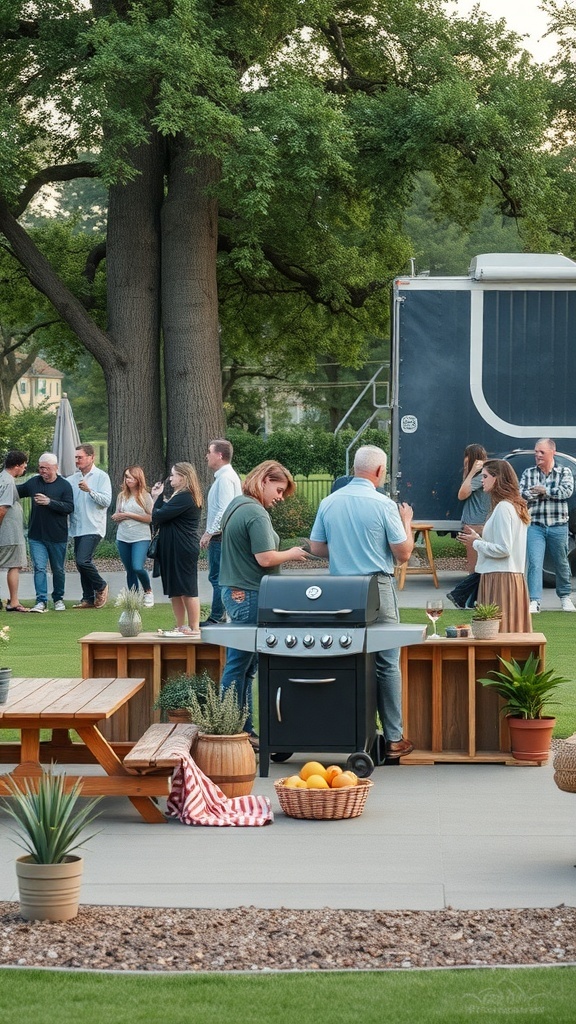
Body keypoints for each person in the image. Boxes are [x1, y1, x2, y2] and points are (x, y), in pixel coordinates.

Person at [309, 445, 415, 760]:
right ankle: (394, 738)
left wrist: (343, 549)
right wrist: (406, 521)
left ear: (355, 468)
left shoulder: (329, 502)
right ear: (380, 471)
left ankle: (346, 732)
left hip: (340, 590)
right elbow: (403, 553)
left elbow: (316, 547)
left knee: (346, 660)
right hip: (377, 587)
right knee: (387, 662)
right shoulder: (384, 505)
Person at [218, 460, 308, 748]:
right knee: (239, 665)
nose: (279, 498)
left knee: (244, 667)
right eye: (279, 490)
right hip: (250, 594)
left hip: (235, 592)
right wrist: (292, 553)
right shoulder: (256, 513)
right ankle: (229, 731)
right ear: (265, 480)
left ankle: (244, 730)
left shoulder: (237, 504)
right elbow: (265, 558)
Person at [458, 460, 531, 633]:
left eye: (485, 476)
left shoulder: (504, 508)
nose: (482, 480)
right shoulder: (513, 506)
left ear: (497, 479)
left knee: (497, 632)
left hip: (500, 578)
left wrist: (475, 543)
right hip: (509, 576)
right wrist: (479, 538)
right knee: (508, 629)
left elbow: (504, 549)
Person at [519, 438, 576, 613]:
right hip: (535, 525)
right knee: (535, 563)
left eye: (541, 452)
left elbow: (566, 492)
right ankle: (534, 601)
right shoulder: (528, 473)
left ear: (553, 452)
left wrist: (543, 491)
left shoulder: (564, 471)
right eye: (536, 451)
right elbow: (521, 494)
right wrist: (546, 493)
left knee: (561, 562)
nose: (537, 455)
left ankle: (565, 598)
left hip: (558, 525)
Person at [16, 452, 74, 612]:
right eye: (40, 467)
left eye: (46, 468)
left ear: (55, 468)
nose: (42, 471)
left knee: (58, 569)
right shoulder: (34, 482)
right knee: (39, 568)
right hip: (36, 536)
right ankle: (41, 601)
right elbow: (17, 491)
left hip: (57, 536)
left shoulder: (64, 485)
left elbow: (69, 507)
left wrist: (50, 502)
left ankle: (58, 598)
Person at [150, 463, 202, 634]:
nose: (170, 478)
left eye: (173, 475)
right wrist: (158, 497)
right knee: (175, 589)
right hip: (172, 547)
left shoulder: (186, 496)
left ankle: (194, 627)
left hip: (182, 547)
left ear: (183, 477)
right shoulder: (178, 496)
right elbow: (161, 515)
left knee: (187, 588)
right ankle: (181, 625)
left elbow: (158, 515)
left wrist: (156, 498)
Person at [199, 439, 242, 625]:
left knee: (217, 577)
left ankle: (217, 616)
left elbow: (224, 510)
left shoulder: (225, 478)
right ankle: (221, 614)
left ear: (220, 455)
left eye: (209, 452)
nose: (206, 456)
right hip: (223, 535)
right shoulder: (225, 477)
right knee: (220, 577)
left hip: (221, 536)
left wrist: (209, 532)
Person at [67, 444, 112, 609]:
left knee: (83, 560)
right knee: (80, 563)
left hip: (93, 526)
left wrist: (89, 490)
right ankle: (87, 598)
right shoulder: (72, 478)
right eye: (76, 457)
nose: (77, 460)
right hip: (77, 527)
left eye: (80, 457)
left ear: (91, 457)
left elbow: (106, 501)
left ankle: (100, 586)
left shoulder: (101, 477)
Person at [111, 466, 154, 606]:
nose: (128, 480)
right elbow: (118, 513)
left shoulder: (145, 496)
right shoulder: (122, 496)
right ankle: (133, 597)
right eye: (126, 477)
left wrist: (127, 515)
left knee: (137, 567)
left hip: (141, 536)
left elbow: (150, 518)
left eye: (131, 477)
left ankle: (148, 591)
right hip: (123, 536)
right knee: (129, 569)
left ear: (138, 479)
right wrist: (117, 516)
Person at [0, 450, 29, 612]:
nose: (25, 468)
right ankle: (14, 602)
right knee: (15, 565)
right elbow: (2, 509)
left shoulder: (1, 478)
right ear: (16, 466)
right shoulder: (8, 482)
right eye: (24, 465)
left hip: (8, 532)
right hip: (10, 534)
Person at [457, 444, 490, 572]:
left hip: (475, 523)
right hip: (478, 522)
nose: (464, 460)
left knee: (474, 566)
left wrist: (470, 473)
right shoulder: (487, 474)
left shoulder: (479, 476)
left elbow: (462, 494)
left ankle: (474, 590)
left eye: (466, 456)